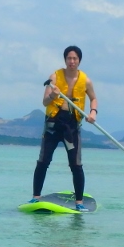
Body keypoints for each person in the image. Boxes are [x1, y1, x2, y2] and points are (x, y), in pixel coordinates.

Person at [28, 45, 98, 212]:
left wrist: (93, 112)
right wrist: (53, 94)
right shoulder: (54, 77)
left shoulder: (86, 81)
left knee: (76, 164)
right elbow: (45, 102)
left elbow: (93, 99)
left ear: (79, 60)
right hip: (53, 124)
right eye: (69, 58)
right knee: (43, 161)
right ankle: (36, 197)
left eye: (75, 58)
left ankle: (79, 202)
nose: (72, 61)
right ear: (65, 60)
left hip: (71, 126)